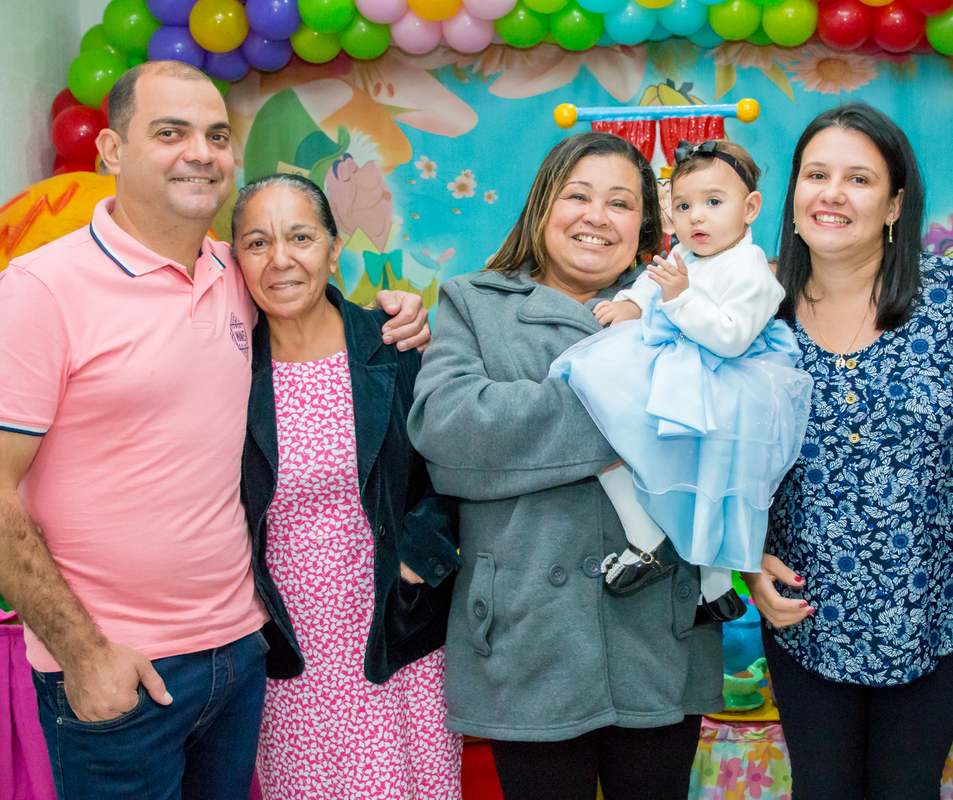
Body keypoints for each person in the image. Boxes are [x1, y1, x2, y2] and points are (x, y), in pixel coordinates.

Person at [0, 60, 428, 799]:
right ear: (109, 150)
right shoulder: (42, 290)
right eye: (170, 132)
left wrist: (393, 315)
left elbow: (302, 277)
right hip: (122, 670)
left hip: (242, 657)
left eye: (216, 135)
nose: (200, 151)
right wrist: (83, 653)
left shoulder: (236, 272)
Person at [407, 131, 724, 800]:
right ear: (542, 205)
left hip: (658, 631)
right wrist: (631, 417)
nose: (596, 216)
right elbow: (450, 433)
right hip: (527, 633)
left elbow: (727, 433)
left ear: (645, 225)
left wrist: (539, 425)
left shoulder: (686, 312)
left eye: (620, 202)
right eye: (577, 195)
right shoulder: (474, 303)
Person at [744, 103, 953, 798]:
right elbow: (721, 458)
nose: (832, 193)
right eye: (816, 174)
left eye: (858, 178)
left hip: (933, 613)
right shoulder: (755, 314)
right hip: (805, 617)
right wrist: (746, 557)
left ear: (894, 204)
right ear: (792, 194)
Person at [234, 174, 462, 799]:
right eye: (257, 242)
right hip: (287, 645)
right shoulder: (225, 366)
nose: (280, 258)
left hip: (395, 630)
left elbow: (453, 472)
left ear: (334, 250)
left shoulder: (394, 346)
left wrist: (420, 561)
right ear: (237, 260)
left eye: (301, 237)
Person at [549, 139, 812, 622]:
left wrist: (680, 300)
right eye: (685, 206)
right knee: (605, 420)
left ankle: (713, 582)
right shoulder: (685, 255)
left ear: (750, 207)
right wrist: (632, 304)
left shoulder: (752, 270)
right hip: (683, 368)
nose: (697, 219)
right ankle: (651, 539)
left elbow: (731, 337)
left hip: (727, 381)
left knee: (713, 481)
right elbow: (651, 284)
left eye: (714, 203)